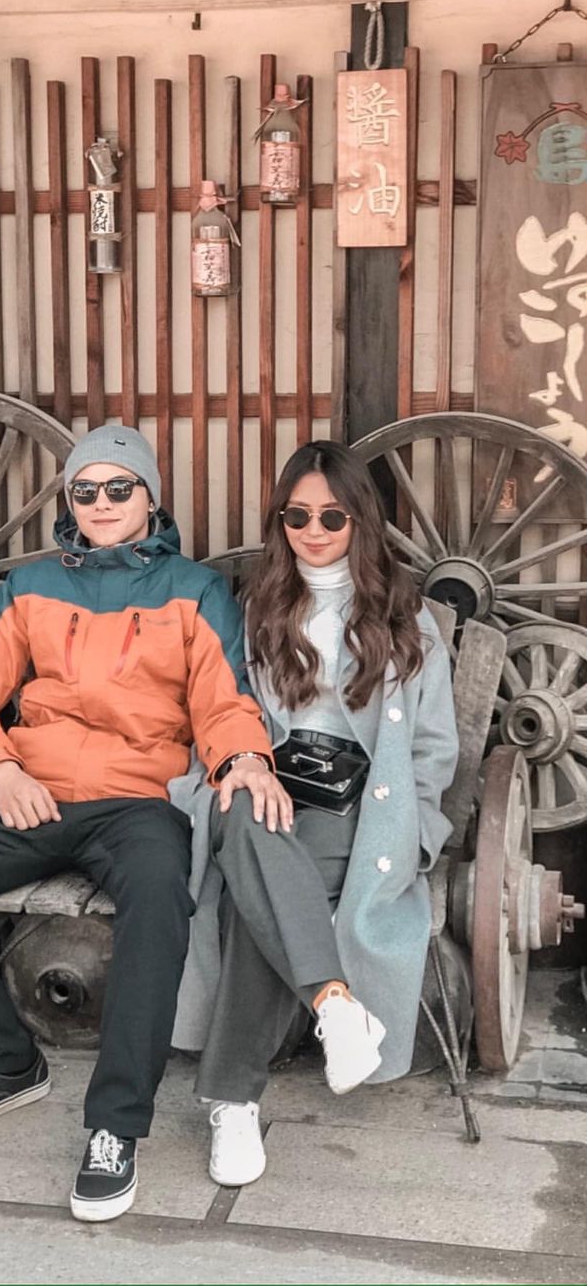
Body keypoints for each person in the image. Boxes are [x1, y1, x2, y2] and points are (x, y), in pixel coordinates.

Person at [0, 425, 288, 1224]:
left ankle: (114, 1125)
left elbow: (225, 701)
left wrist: (245, 759)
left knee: (161, 896)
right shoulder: (28, 585)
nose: (101, 504)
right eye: (85, 491)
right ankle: (4, 1058)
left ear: (151, 498)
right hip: (31, 787)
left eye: (118, 488)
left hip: (138, 800)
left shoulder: (194, 589)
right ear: (69, 502)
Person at [171, 440, 458, 1189]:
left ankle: (232, 1101)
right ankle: (335, 1007)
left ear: (361, 518)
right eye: (296, 514)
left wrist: (419, 825)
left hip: (361, 805)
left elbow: (432, 748)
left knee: (252, 894)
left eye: (332, 514)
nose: (314, 528)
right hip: (262, 775)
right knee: (244, 818)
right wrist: (245, 761)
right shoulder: (257, 605)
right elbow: (224, 706)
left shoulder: (408, 619)